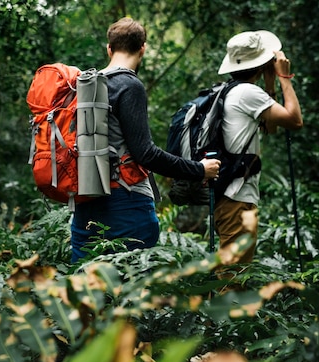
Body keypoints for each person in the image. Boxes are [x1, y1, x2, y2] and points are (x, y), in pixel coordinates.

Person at [70, 17, 221, 263]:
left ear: (109, 49)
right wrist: (199, 170)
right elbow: (146, 154)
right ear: (143, 48)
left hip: (85, 199)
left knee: (87, 287)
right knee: (133, 288)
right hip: (126, 202)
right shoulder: (130, 85)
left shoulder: (87, 84)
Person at [215, 30, 303, 263]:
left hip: (230, 196)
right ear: (261, 63)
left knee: (233, 276)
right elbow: (295, 120)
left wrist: (270, 83)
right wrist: (285, 77)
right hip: (237, 198)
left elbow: (270, 127)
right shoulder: (247, 93)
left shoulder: (231, 90)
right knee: (233, 280)